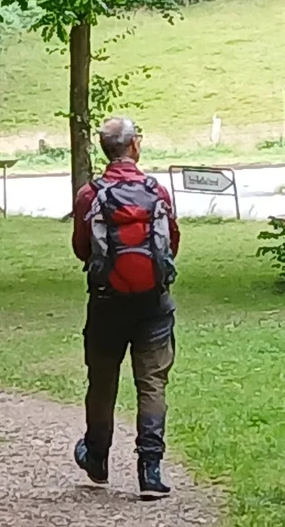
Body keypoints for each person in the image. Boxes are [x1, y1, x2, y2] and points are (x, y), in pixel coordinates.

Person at [71, 117, 180, 501]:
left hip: (106, 303)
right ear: (134, 146)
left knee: (102, 381)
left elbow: (81, 248)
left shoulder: (90, 194)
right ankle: (150, 470)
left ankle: (97, 457)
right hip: (154, 303)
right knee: (152, 382)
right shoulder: (157, 191)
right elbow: (172, 244)